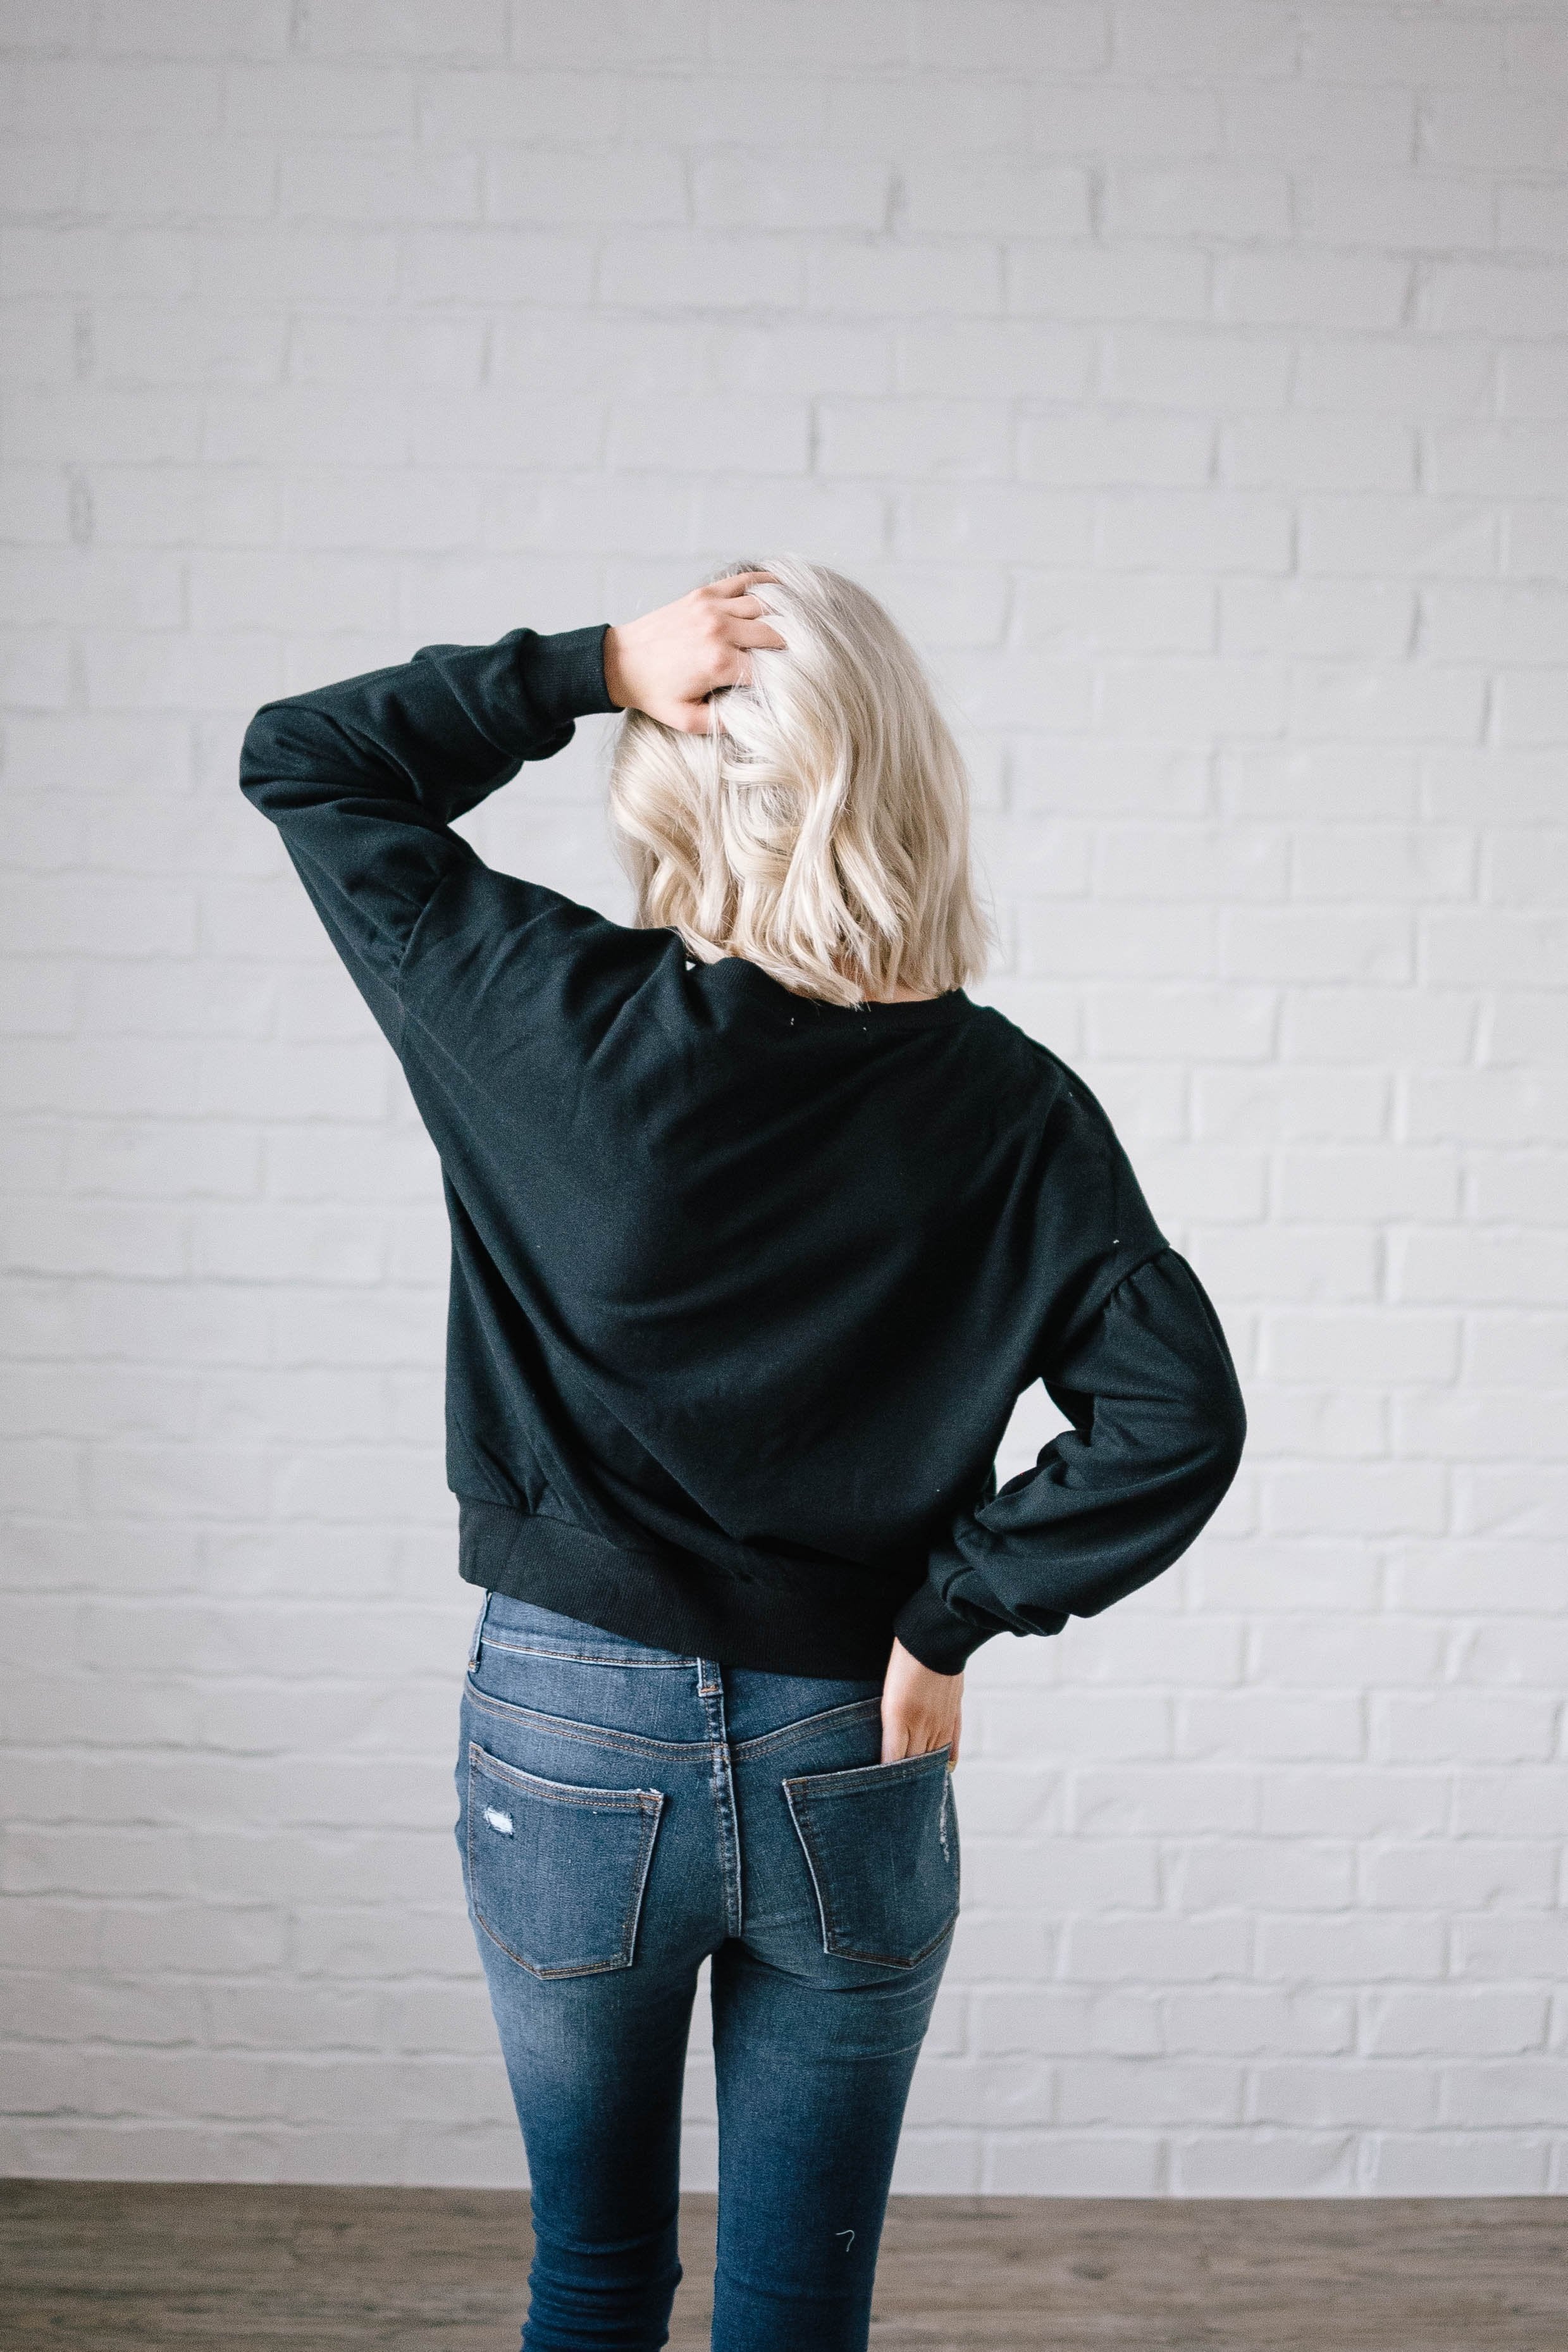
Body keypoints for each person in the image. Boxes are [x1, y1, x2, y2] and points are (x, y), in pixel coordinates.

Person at [240, 558, 1246, 2352]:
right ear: (907, 782)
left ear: (675, 777)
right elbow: (1177, 1418)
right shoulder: (1011, 1107)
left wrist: (595, 663)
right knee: (800, 2311)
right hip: (848, 1732)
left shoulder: (536, 1017)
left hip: (565, 1734)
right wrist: (951, 1619)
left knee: (595, 2280)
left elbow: (309, 759)